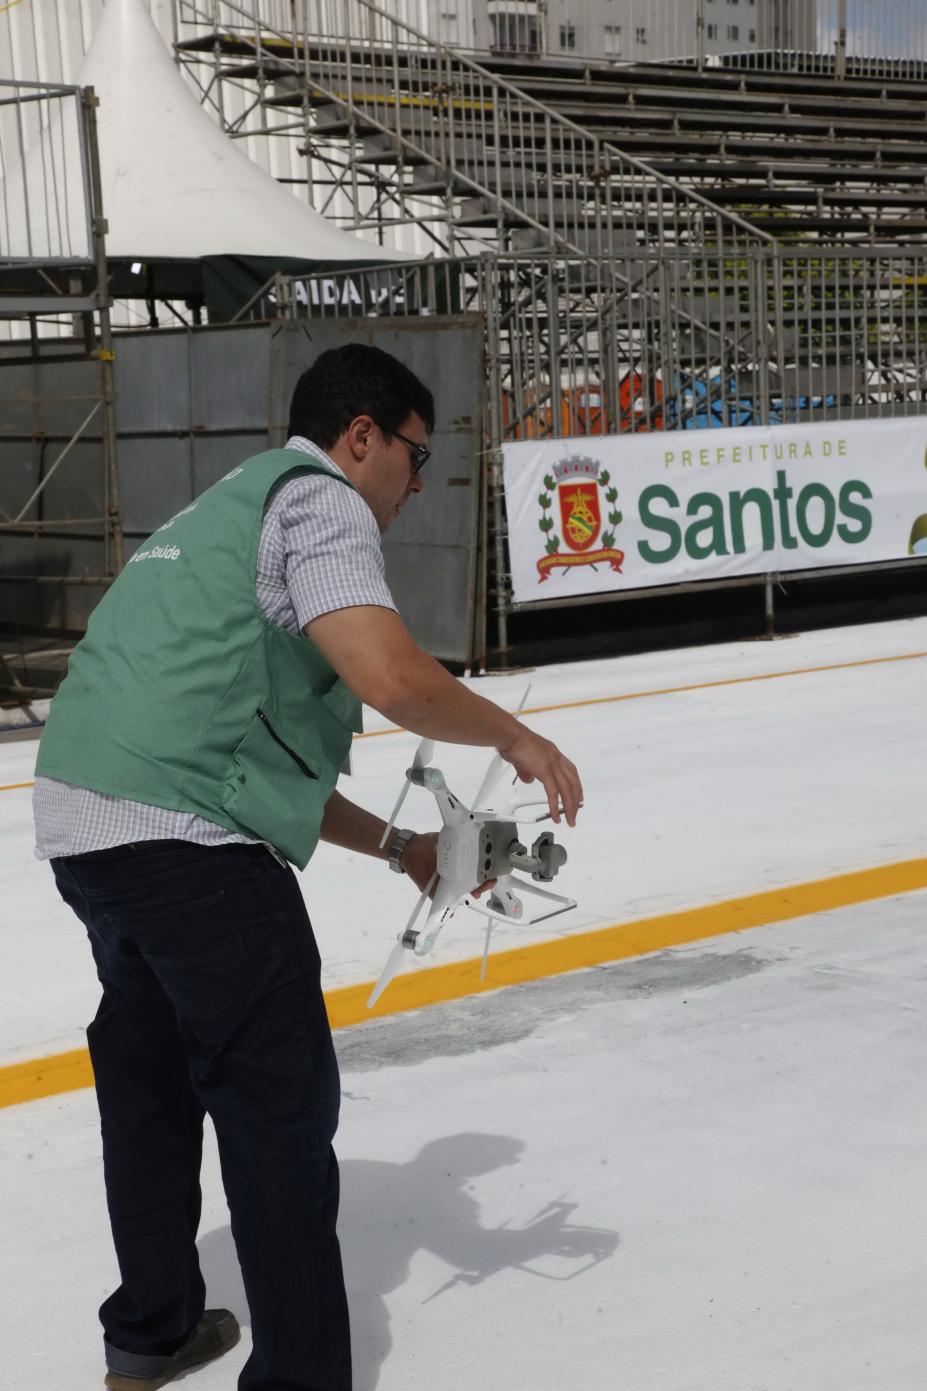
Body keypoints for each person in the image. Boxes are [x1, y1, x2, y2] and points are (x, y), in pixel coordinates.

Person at [32, 343, 583, 1391]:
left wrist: (404, 846)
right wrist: (514, 737)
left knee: (148, 1081)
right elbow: (392, 678)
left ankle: (149, 1334)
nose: (418, 484)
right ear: (362, 435)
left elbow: (233, 752)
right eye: (416, 456)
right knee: (275, 1100)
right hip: (184, 841)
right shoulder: (322, 502)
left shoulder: (226, 508)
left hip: (87, 823)